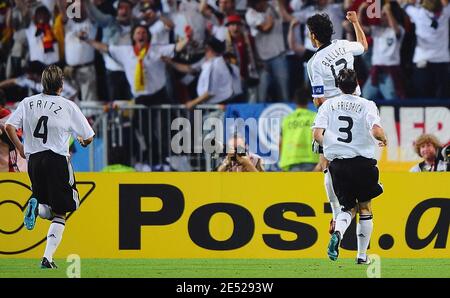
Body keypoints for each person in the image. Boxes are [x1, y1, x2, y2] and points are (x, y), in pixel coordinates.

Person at [5, 64, 95, 269]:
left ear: (42, 83)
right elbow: (89, 135)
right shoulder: (67, 106)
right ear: (61, 84)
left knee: (48, 207)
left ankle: (37, 209)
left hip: (34, 161)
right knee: (62, 211)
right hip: (56, 160)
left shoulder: (28, 103)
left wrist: (20, 147)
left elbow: (9, 126)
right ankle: (47, 258)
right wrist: (82, 142)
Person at [312, 69, 387, 264]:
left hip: (339, 165)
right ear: (357, 84)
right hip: (363, 163)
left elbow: (317, 135)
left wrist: (330, 145)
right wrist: (383, 138)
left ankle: (338, 231)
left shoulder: (328, 105)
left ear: (338, 86)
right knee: (365, 207)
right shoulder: (367, 104)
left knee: (347, 208)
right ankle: (362, 256)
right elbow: (376, 130)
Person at [306, 12, 368, 235]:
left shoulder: (315, 63)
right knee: (361, 162)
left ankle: (336, 213)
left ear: (313, 36)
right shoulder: (344, 45)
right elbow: (363, 44)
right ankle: (361, 210)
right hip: (357, 108)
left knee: (327, 166)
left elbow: (319, 100)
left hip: (333, 114)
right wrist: (355, 22)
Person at [278, 88, 320, 172]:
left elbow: (280, 143)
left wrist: (282, 160)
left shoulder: (286, 120)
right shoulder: (315, 117)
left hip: (290, 161)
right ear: (308, 100)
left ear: (295, 101)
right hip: (311, 161)